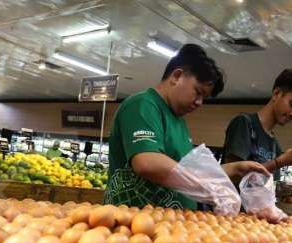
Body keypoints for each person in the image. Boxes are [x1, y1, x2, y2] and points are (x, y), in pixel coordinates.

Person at [104, 44, 267, 209]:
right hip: (132, 224)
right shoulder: (143, 105)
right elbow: (147, 162)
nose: (199, 103)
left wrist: (234, 168)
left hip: (172, 226)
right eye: (198, 92)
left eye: (204, 97)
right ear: (177, 76)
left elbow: (187, 172)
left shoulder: (179, 121)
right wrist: (209, 189)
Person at [221, 69, 292, 181]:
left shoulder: (275, 145)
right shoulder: (244, 123)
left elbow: (269, 184)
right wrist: (280, 162)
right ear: (276, 94)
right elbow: (233, 176)